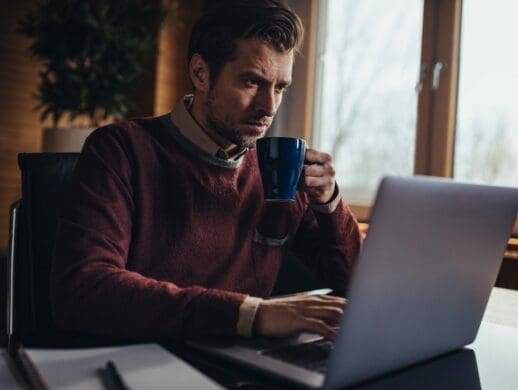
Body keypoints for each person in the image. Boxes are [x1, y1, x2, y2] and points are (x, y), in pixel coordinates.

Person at [50, 0, 362, 342]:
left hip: (243, 370)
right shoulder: (120, 150)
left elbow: (356, 285)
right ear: (200, 74)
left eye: (280, 87)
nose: (268, 107)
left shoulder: (278, 172)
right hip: (145, 362)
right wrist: (251, 314)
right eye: (251, 82)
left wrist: (329, 203)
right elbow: (83, 289)